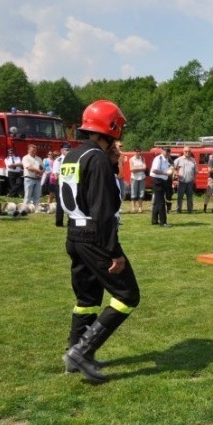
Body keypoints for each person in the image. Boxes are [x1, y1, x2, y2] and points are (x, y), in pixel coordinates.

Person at [60, 100, 140, 384]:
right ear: (112, 127)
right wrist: (114, 252)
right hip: (94, 236)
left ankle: (74, 351)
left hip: (75, 232)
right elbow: (103, 211)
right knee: (128, 295)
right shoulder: (97, 159)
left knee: (87, 299)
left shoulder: (72, 156)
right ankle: (82, 352)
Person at [149, 147, 173, 227]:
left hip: (163, 181)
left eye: (168, 152)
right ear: (162, 151)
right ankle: (163, 222)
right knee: (161, 202)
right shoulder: (158, 158)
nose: (167, 153)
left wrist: (170, 169)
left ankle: (154, 220)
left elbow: (170, 166)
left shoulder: (166, 160)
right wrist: (165, 173)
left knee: (157, 202)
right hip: (157, 181)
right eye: (166, 151)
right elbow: (154, 170)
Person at [173, 146, 197, 213]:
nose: (187, 153)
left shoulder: (193, 160)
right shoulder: (179, 159)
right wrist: (176, 173)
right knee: (180, 197)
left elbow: (195, 171)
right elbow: (172, 167)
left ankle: (190, 210)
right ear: (183, 152)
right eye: (186, 151)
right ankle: (178, 210)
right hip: (181, 182)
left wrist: (194, 179)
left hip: (190, 182)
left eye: (189, 151)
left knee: (190, 197)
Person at [54, 144, 71, 227]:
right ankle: (59, 222)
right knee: (60, 203)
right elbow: (56, 174)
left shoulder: (73, 159)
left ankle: (71, 221)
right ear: (62, 151)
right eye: (66, 150)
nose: (68, 151)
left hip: (70, 184)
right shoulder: (59, 160)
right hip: (60, 184)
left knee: (70, 203)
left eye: (69, 150)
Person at [129, 146, 147, 213]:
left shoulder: (142, 158)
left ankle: (140, 208)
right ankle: (133, 208)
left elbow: (145, 167)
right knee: (133, 193)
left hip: (142, 177)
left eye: (139, 151)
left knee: (141, 193)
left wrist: (136, 168)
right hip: (134, 178)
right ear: (134, 152)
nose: (138, 152)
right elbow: (131, 169)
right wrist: (140, 168)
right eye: (137, 151)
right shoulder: (131, 159)